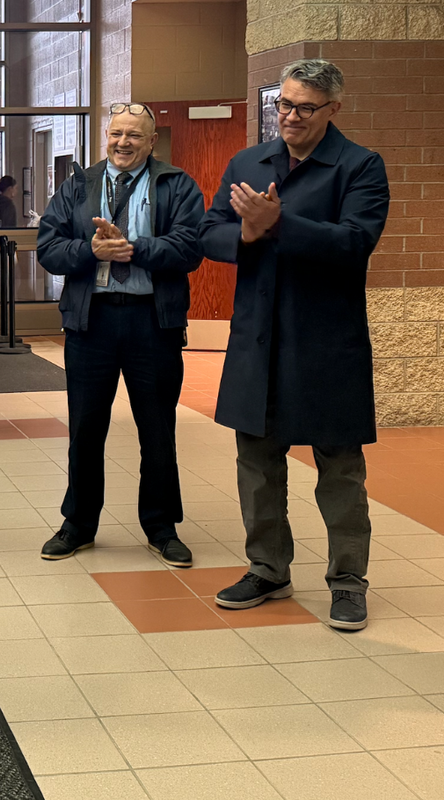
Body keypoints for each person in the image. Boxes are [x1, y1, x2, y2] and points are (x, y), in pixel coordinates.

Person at [199, 59, 390, 631]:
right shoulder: (247, 162)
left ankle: (348, 581)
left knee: (340, 471)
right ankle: (268, 569)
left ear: (333, 109)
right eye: (282, 104)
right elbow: (208, 232)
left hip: (326, 344)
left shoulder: (359, 166)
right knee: (256, 465)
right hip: (258, 341)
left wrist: (280, 223)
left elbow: (356, 241)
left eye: (304, 107)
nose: (288, 116)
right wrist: (247, 232)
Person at [36, 102, 205, 566]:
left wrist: (135, 249)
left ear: (152, 142)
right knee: (86, 428)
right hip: (93, 322)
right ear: (105, 137)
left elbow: (191, 246)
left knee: (157, 428)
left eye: (134, 135)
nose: (123, 142)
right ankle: (78, 524)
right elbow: (49, 249)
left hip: (154, 321)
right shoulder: (77, 186)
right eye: (116, 134)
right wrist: (91, 250)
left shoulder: (177, 184)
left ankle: (161, 526)